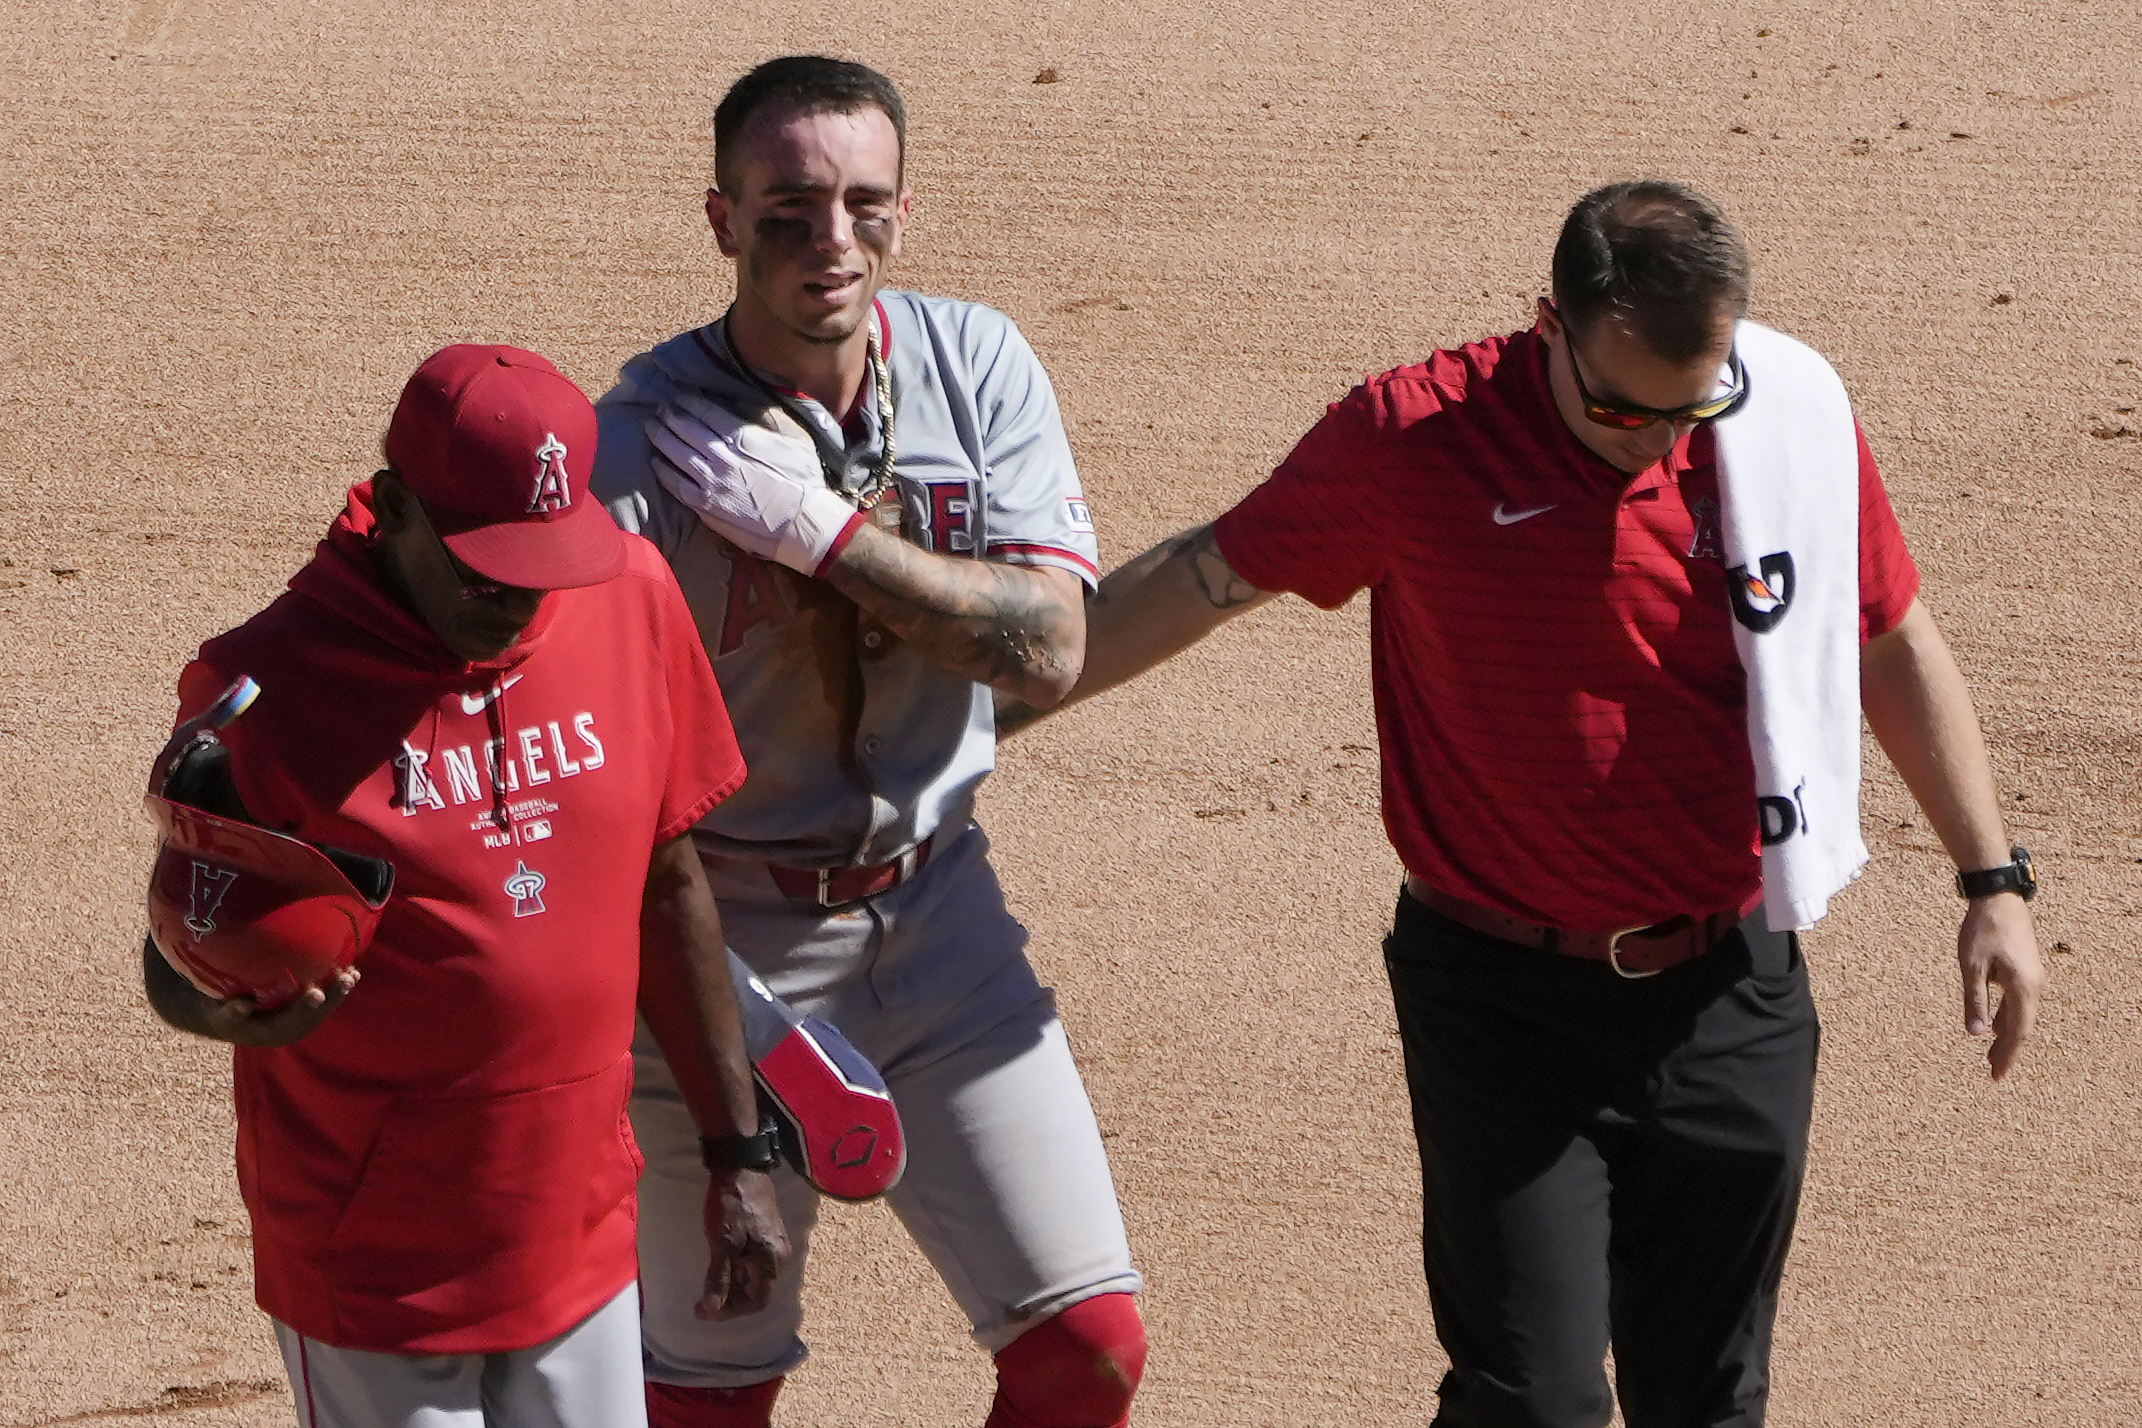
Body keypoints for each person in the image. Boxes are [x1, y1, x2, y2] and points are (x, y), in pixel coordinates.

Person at [1003, 181, 2048, 1427]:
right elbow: (1204, 579)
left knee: (1711, 1394)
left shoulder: (1787, 426)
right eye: (1617, 407)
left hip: (1731, 985)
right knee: (1533, 1401)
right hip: (1500, 999)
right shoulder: (1412, 440)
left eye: (1686, 409)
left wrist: (1992, 881)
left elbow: (1887, 638)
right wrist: (981, 716)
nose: (1652, 442)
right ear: (1546, 321)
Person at [589, 55, 1145, 1428]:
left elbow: (1052, 645)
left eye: (860, 203)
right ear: (721, 219)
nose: (828, 240)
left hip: (942, 920)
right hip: (721, 957)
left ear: (902, 210)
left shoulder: (976, 362)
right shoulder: (636, 456)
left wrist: (826, 541)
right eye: (785, 208)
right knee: (706, 1400)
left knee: (1087, 1349)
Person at [140, 343, 788, 1428]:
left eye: (541, 561)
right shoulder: (266, 687)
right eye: (482, 565)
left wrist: (739, 1156)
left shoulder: (626, 598)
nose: (514, 596)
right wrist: (214, 1003)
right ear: (393, 509)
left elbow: (668, 884)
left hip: (572, 1223)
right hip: (371, 1256)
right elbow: (179, 943)